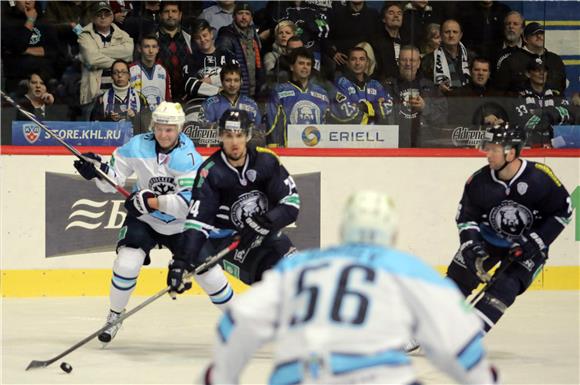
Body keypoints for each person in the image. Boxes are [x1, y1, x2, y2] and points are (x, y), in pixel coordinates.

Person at [201, 190, 499, 385]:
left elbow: (236, 324)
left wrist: (221, 375)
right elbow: (457, 337)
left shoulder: (300, 266)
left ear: (344, 228)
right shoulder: (407, 270)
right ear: (391, 233)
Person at [73, 102, 233, 343]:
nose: (163, 134)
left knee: (209, 275)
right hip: (145, 218)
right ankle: (114, 316)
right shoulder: (138, 145)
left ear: (179, 129)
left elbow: (186, 204)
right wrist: (97, 170)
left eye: (169, 129)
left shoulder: (189, 157)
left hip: (181, 224)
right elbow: (112, 181)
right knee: (126, 263)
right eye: (159, 128)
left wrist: (150, 200)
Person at [446, 124, 572, 334]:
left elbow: (563, 211)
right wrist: (470, 244)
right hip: (489, 240)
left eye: (494, 149)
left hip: (527, 246)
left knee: (504, 288)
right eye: (487, 148)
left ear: (511, 152)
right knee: (458, 279)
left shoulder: (539, 178)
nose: (488, 154)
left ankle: (466, 337)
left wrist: (535, 242)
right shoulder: (479, 181)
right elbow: (466, 218)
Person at [167, 109, 300, 294]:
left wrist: (264, 222)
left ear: (248, 135)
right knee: (270, 279)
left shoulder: (266, 161)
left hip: (266, 232)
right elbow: (197, 223)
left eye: (239, 135)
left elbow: (291, 203)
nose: (235, 142)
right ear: (220, 135)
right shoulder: (210, 172)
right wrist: (181, 261)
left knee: (298, 273)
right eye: (229, 135)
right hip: (229, 241)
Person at [78, 1, 133, 118]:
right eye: (99, 14)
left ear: (112, 16)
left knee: (120, 133)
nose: (103, 17)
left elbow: (128, 53)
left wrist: (98, 52)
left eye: (106, 13)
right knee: (92, 133)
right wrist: (119, 63)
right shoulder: (84, 35)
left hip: (120, 94)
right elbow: (91, 59)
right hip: (93, 96)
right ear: (92, 17)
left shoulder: (123, 35)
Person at [266, 47, 330, 147]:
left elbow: (326, 125)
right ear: (292, 67)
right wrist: (274, 147)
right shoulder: (279, 91)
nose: (305, 67)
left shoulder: (322, 94)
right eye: (301, 63)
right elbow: (272, 123)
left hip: (316, 150)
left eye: (308, 64)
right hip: (288, 152)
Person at [385, 45, 447, 147]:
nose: (408, 64)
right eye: (404, 60)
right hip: (394, 145)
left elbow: (442, 119)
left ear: (419, 63)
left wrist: (425, 107)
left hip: (423, 147)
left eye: (412, 60)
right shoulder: (386, 87)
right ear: (398, 62)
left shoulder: (430, 88)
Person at [509, 58, 573, 147]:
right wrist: (554, 113)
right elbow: (525, 122)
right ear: (528, 74)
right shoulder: (519, 95)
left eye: (544, 70)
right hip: (529, 144)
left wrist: (543, 112)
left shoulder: (556, 94)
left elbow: (569, 116)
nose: (541, 73)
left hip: (556, 143)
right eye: (537, 70)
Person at [183, 18, 237, 122]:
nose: (202, 40)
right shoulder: (191, 59)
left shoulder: (227, 55)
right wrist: (220, 91)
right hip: (197, 108)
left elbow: (235, 78)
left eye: (205, 35)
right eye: (198, 38)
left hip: (224, 107)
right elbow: (189, 85)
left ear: (211, 34)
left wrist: (209, 81)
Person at [495, 22, 566, 95]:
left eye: (541, 33)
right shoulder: (511, 60)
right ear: (525, 39)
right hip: (519, 104)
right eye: (534, 34)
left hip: (552, 104)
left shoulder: (555, 59)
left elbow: (561, 87)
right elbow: (500, 91)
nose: (539, 36)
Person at [332, 46, 393, 125]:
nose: (357, 63)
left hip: (374, 134)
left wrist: (361, 106)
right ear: (348, 63)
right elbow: (346, 112)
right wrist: (375, 106)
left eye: (362, 59)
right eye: (353, 59)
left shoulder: (376, 85)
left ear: (367, 63)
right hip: (350, 134)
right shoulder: (340, 83)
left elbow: (388, 108)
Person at [216, 2, 264, 98]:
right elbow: (222, 65)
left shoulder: (254, 35)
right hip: (234, 88)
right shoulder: (227, 34)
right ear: (234, 16)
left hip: (253, 90)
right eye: (240, 13)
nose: (244, 17)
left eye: (247, 14)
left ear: (251, 17)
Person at [91, 59, 150, 134]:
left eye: (123, 72)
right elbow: (93, 129)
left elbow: (147, 128)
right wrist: (109, 120)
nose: (120, 75)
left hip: (134, 143)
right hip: (110, 143)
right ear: (112, 76)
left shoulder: (140, 98)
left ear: (129, 75)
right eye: (116, 72)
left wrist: (134, 117)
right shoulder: (102, 99)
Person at [421, 19, 473, 95]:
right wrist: (437, 89)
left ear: (461, 35)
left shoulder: (471, 57)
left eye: (455, 32)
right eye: (447, 32)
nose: (451, 35)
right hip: (442, 102)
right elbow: (423, 87)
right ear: (441, 35)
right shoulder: (428, 60)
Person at [201, 64, 261, 128]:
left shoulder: (250, 103)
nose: (232, 84)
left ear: (241, 82)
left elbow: (258, 132)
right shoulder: (210, 104)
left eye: (236, 80)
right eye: (228, 80)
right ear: (221, 81)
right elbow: (203, 131)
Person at [129, 34, 172, 112]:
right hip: (137, 118)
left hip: (159, 118)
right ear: (139, 48)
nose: (151, 51)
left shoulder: (162, 70)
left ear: (158, 49)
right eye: (146, 46)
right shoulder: (131, 70)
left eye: (154, 47)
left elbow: (168, 98)